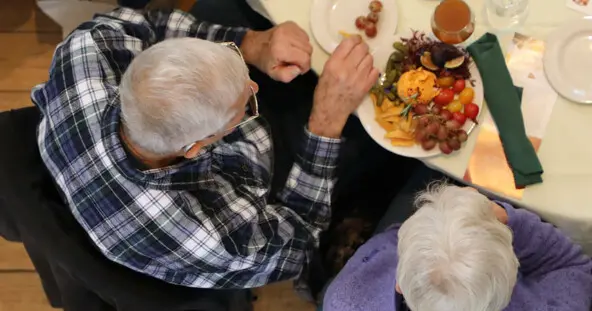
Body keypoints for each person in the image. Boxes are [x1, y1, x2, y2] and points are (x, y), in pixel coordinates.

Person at [31, 3, 379, 290]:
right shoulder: (211, 237)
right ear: (196, 148)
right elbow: (298, 240)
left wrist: (250, 44)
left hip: (89, 158)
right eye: (245, 106)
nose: (254, 88)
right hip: (219, 214)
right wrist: (326, 123)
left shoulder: (89, 46)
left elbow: (148, 24)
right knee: (369, 150)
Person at [323, 182, 592, 311]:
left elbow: (384, 243)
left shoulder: (344, 300)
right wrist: (510, 219)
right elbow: (572, 265)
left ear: (400, 286)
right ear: (510, 280)